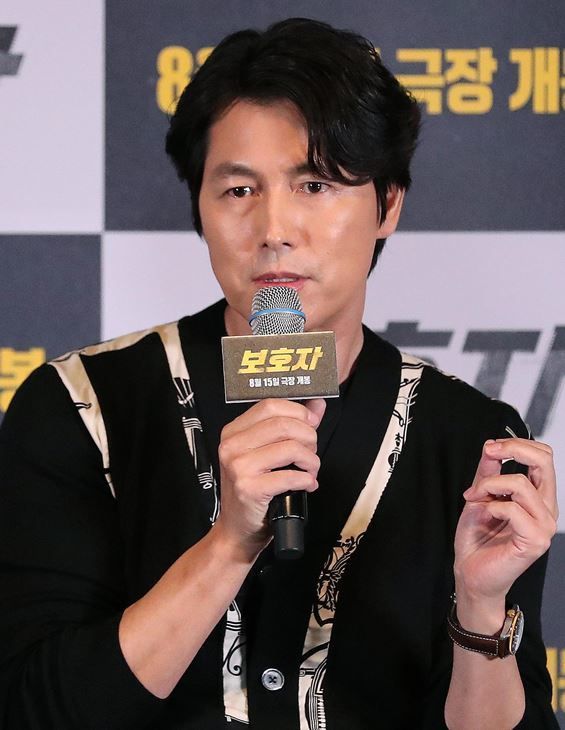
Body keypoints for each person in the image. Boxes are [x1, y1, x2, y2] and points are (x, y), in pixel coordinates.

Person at [0, 17, 559, 730]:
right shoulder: (85, 408)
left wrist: (479, 609)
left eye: (315, 185)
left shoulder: (470, 440)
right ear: (199, 206)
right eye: (238, 191)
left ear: (387, 203)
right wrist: (228, 544)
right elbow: (32, 709)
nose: (273, 230)